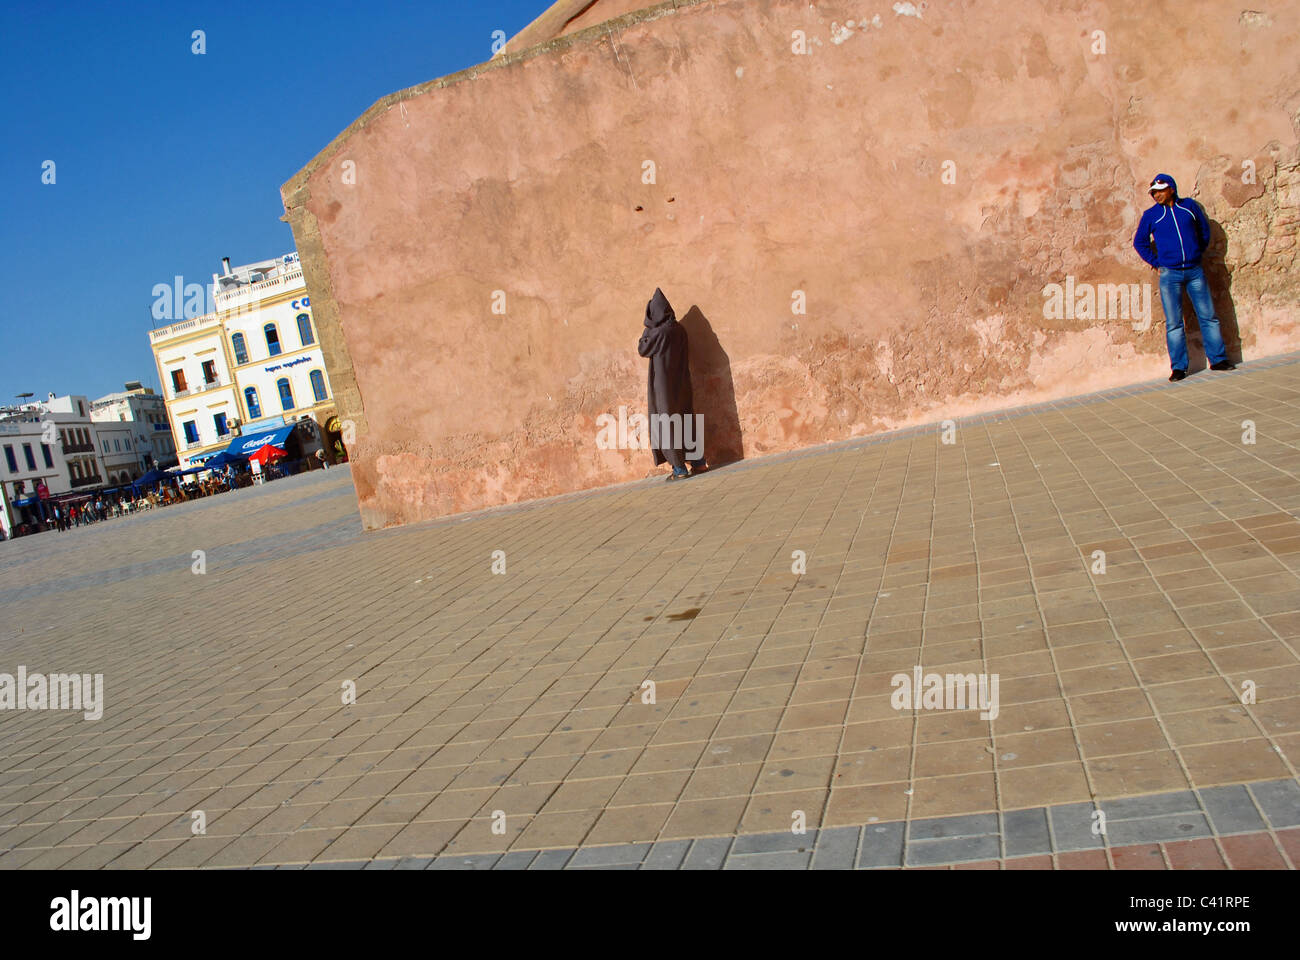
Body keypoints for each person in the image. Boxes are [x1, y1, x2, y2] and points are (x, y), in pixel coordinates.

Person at [1133, 173, 1234, 382]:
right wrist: (1156, 261)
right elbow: (1140, 242)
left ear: (1171, 189)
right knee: (1174, 323)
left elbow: (1204, 232)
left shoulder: (1189, 207)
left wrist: (1197, 252)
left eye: (1160, 191)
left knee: (1208, 316)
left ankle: (1218, 359)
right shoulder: (1151, 215)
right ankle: (1179, 367)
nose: (1156, 195)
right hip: (1170, 274)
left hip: (1195, 270)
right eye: (1153, 192)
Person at [637, 287, 708, 481]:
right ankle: (699, 462)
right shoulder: (679, 329)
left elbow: (642, 349)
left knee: (666, 423)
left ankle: (679, 468)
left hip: (663, 386)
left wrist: (648, 328)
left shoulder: (657, 333)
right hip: (682, 381)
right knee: (686, 418)